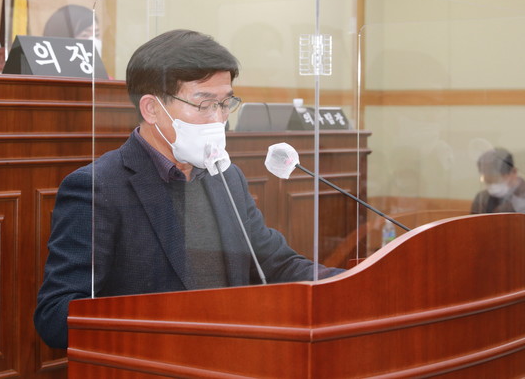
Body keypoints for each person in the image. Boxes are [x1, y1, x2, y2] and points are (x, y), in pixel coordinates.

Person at [33, 29, 345, 349]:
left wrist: (351, 286)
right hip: (153, 361)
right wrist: (169, 323)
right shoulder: (98, 188)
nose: (219, 119)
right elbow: (56, 315)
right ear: (152, 109)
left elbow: (276, 264)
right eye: (205, 104)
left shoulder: (226, 177)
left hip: (231, 358)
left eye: (225, 104)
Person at [471, 147, 525, 226]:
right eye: (488, 181)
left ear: (513, 172)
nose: (493, 185)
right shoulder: (482, 198)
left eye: (497, 179)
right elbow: (474, 228)